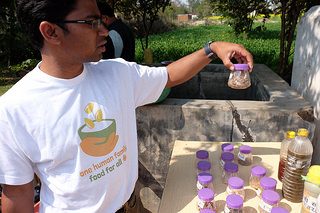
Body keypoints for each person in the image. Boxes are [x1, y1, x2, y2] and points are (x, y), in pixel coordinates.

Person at [0, 0, 253, 212]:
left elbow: (170, 75)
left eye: (102, 20)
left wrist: (213, 48)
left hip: (128, 206)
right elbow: (18, 195)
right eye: (91, 22)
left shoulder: (117, 74)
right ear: (51, 32)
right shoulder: (15, 110)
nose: (104, 31)